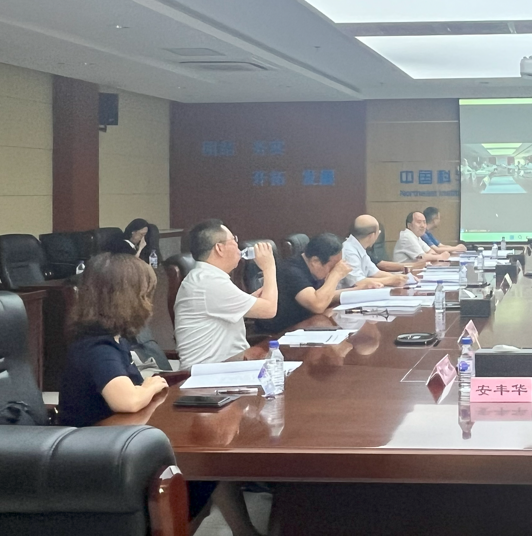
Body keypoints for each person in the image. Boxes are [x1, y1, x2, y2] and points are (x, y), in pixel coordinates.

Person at [57, 253, 261, 535]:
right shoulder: (97, 347)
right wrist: (150, 385)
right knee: (200, 474)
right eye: (144, 294)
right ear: (124, 299)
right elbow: (127, 400)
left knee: (212, 464)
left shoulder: (112, 340)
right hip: (97, 460)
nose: (148, 302)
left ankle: (245, 531)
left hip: (119, 444)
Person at [174, 219, 279, 369]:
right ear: (219, 248)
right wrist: (269, 267)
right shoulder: (209, 282)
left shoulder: (206, 277)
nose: (238, 245)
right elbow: (269, 310)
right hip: (209, 374)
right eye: (234, 240)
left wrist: (250, 301)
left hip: (227, 366)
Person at [257, 233, 369, 333]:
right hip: (280, 333)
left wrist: (357, 290)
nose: (333, 270)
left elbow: (322, 295)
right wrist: (335, 275)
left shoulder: (310, 266)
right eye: (332, 267)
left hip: (306, 324)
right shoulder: (291, 271)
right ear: (315, 261)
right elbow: (317, 305)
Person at [341, 215, 408, 288]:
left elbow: (375, 273)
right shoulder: (348, 251)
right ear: (372, 235)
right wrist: (390, 280)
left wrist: (402, 278)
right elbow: (358, 282)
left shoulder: (359, 247)